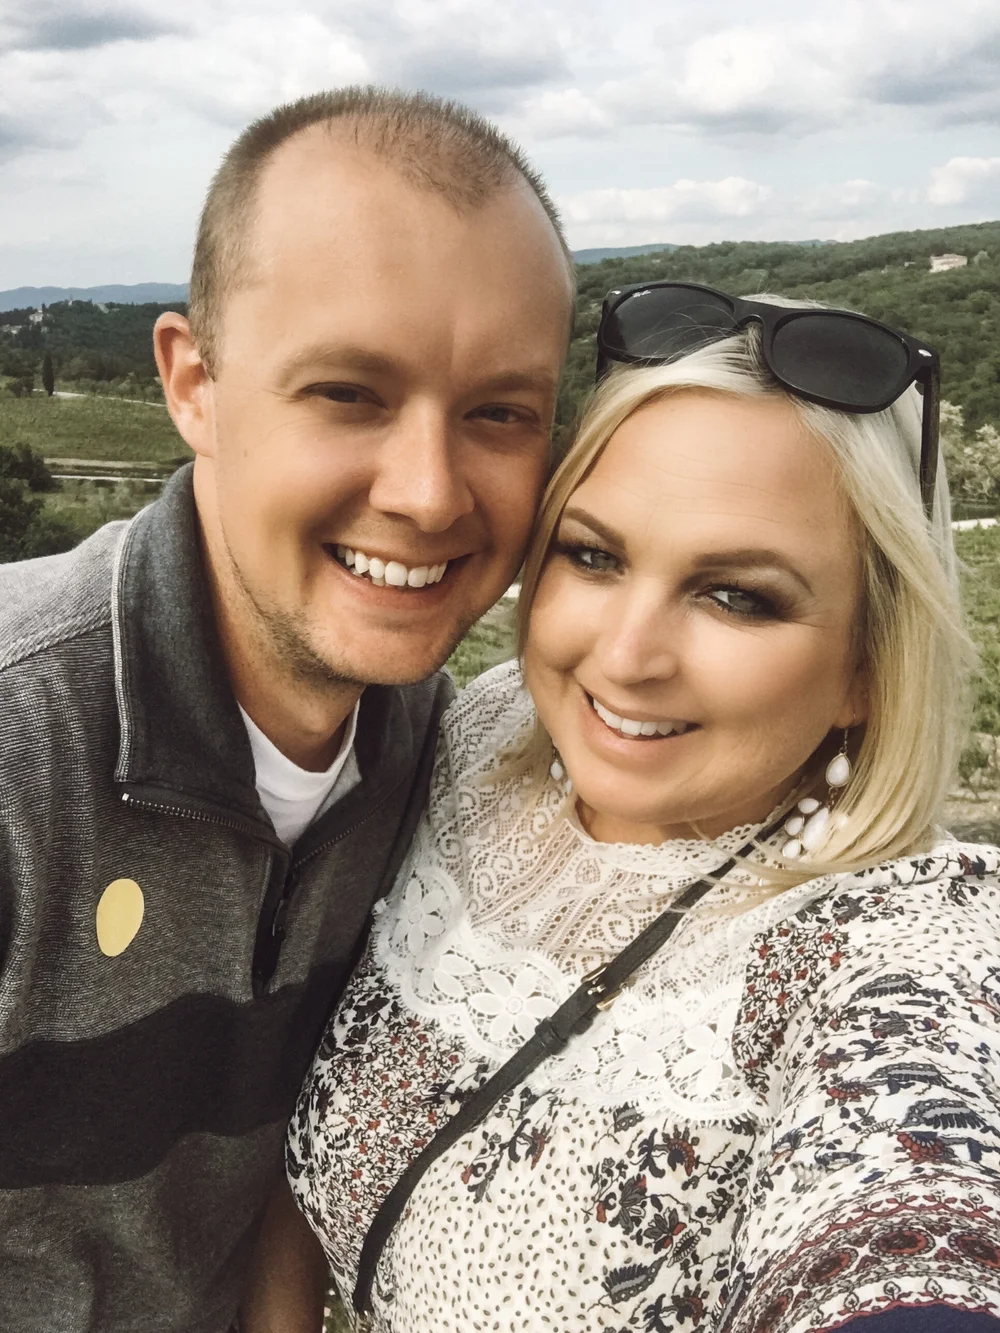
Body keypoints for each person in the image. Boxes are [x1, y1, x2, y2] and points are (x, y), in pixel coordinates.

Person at [276, 286, 1000, 1332]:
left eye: (736, 595)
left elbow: (904, 1209)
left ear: (868, 668)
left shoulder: (898, 940)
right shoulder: (479, 740)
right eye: (594, 555)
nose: (622, 658)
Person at [0, 88, 573, 1332]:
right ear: (194, 384)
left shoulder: (439, 754)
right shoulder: (17, 755)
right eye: (349, 393)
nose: (428, 494)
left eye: (497, 413)